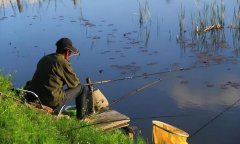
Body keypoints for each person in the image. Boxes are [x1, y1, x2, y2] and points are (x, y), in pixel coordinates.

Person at [24, 37, 88, 119]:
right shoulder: (63, 62)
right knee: (82, 88)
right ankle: (82, 118)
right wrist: (67, 65)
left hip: (35, 96)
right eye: (70, 53)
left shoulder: (45, 58)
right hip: (50, 102)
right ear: (67, 52)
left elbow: (50, 78)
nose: (70, 55)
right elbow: (74, 84)